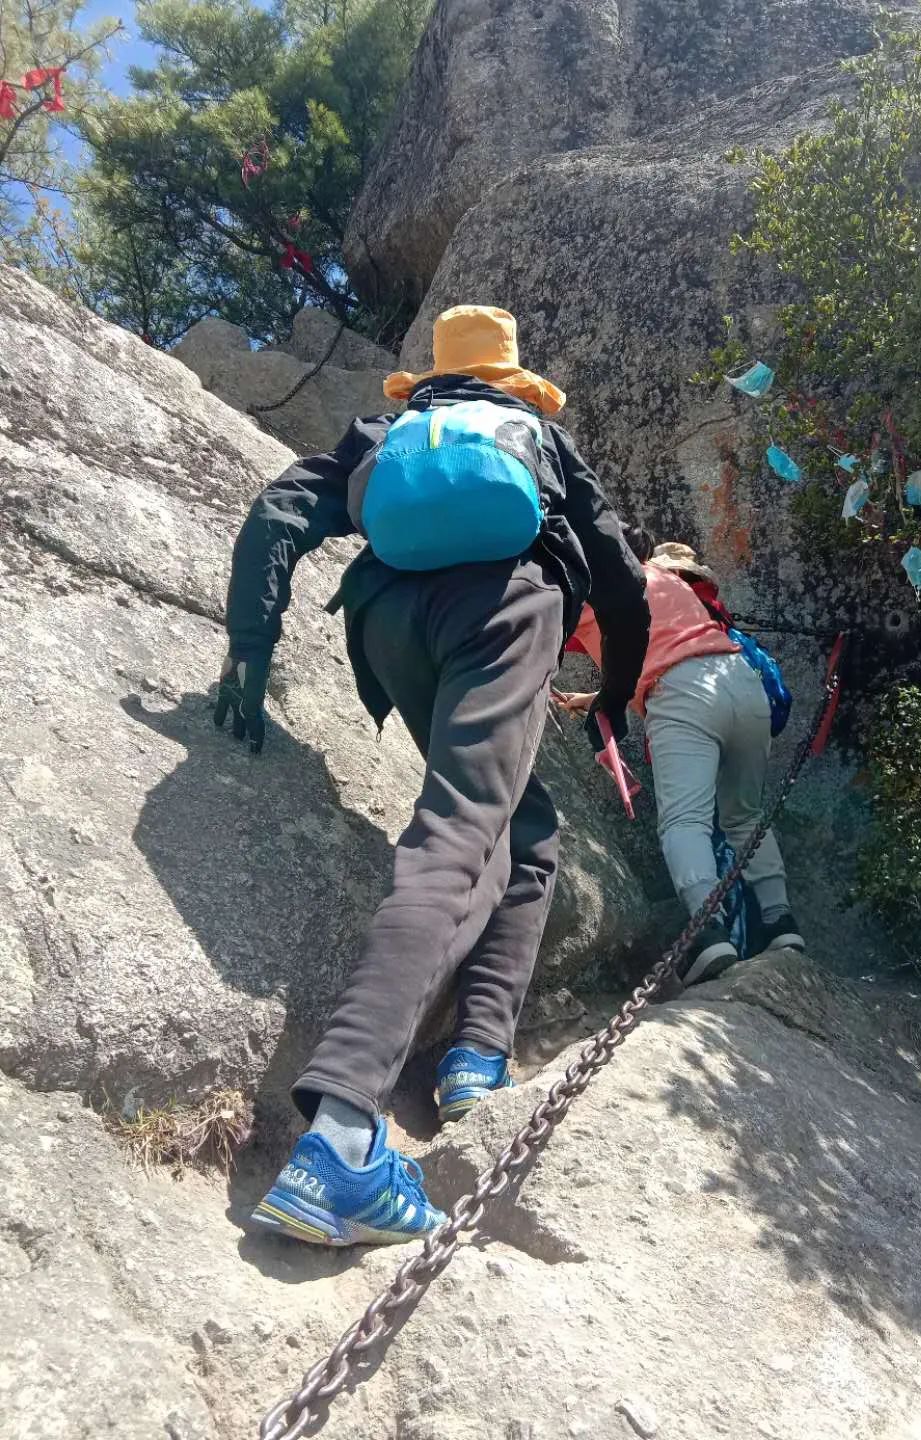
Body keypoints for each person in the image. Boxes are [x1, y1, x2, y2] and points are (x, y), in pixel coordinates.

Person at [216, 305, 650, 1247]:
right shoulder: (537, 435)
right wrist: (612, 697)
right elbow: (619, 575)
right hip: (502, 607)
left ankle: (475, 1055)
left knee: (523, 834)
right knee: (457, 833)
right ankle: (340, 1141)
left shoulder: (389, 431)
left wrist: (250, 646)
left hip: (387, 622)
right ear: (512, 381)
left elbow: (280, 511)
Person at [556, 526, 803, 987]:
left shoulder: (591, 587)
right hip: (741, 683)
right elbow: (669, 654)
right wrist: (593, 698)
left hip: (682, 694)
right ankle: (781, 924)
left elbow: (661, 669)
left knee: (684, 822)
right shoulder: (666, 579)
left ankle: (707, 935)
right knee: (744, 814)